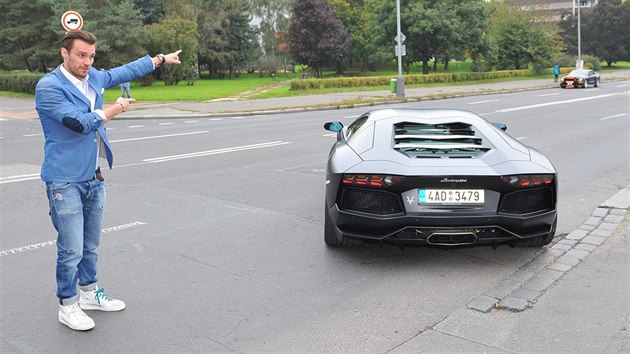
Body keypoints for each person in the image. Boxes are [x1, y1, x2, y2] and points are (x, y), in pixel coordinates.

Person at [35, 29, 181, 331]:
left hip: (92, 176)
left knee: (90, 245)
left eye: (91, 56)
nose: (87, 62)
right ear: (65, 53)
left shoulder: (94, 78)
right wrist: (116, 108)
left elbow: (125, 71)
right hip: (64, 180)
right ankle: (67, 304)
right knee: (71, 248)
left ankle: (89, 293)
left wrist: (160, 59)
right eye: (81, 55)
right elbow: (79, 123)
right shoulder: (49, 87)